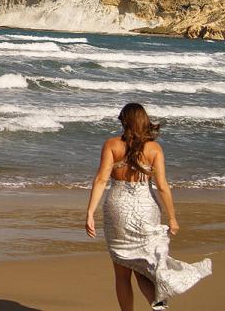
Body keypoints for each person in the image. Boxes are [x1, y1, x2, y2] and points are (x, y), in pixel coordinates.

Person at [85, 103, 211, 311]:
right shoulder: (154, 149)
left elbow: (100, 180)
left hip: (118, 208)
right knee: (143, 268)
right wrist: (172, 217)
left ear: (124, 121)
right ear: (144, 121)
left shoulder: (111, 144)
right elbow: (162, 186)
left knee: (122, 272)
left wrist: (90, 212)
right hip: (146, 209)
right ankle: (160, 308)